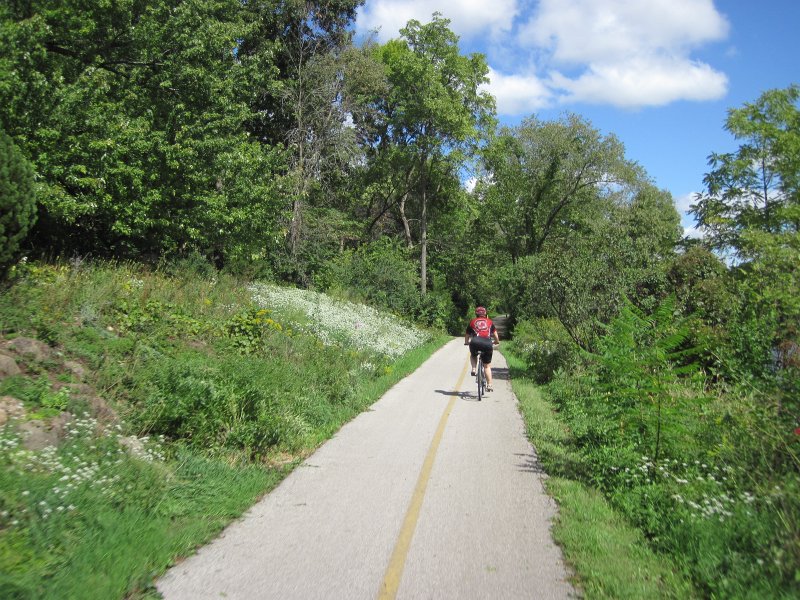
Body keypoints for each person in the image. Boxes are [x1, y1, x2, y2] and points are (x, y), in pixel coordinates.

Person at [464, 306, 500, 392]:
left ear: (476, 314)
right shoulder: (490, 322)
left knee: (473, 355)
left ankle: (473, 369)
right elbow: (495, 335)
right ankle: (489, 385)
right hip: (487, 343)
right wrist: (496, 341)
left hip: (475, 342)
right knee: (487, 366)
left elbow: (467, 335)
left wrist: (466, 342)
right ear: (485, 314)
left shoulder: (472, 322)